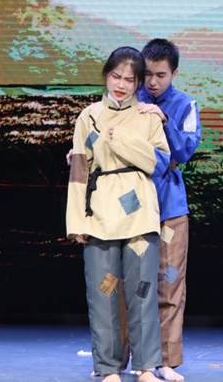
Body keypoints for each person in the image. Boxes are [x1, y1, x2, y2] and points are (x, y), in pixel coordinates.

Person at [66, 46, 171, 382]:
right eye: (116, 76)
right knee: (104, 293)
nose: (122, 85)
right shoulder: (89, 116)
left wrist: (119, 140)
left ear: (138, 82)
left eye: (129, 79)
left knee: (142, 291)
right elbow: (79, 170)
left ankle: (146, 366)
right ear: (106, 76)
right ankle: (108, 368)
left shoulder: (149, 116)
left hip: (140, 213)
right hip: (100, 214)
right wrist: (76, 222)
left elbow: (158, 162)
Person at [134, 38, 202, 382]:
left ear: (173, 72)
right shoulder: (130, 100)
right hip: (131, 208)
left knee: (170, 282)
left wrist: (163, 120)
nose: (152, 82)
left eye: (160, 75)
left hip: (169, 208)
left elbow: (184, 152)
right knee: (130, 283)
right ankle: (126, 358)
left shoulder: (185, 105)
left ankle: (166, 361)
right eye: (147, 74)